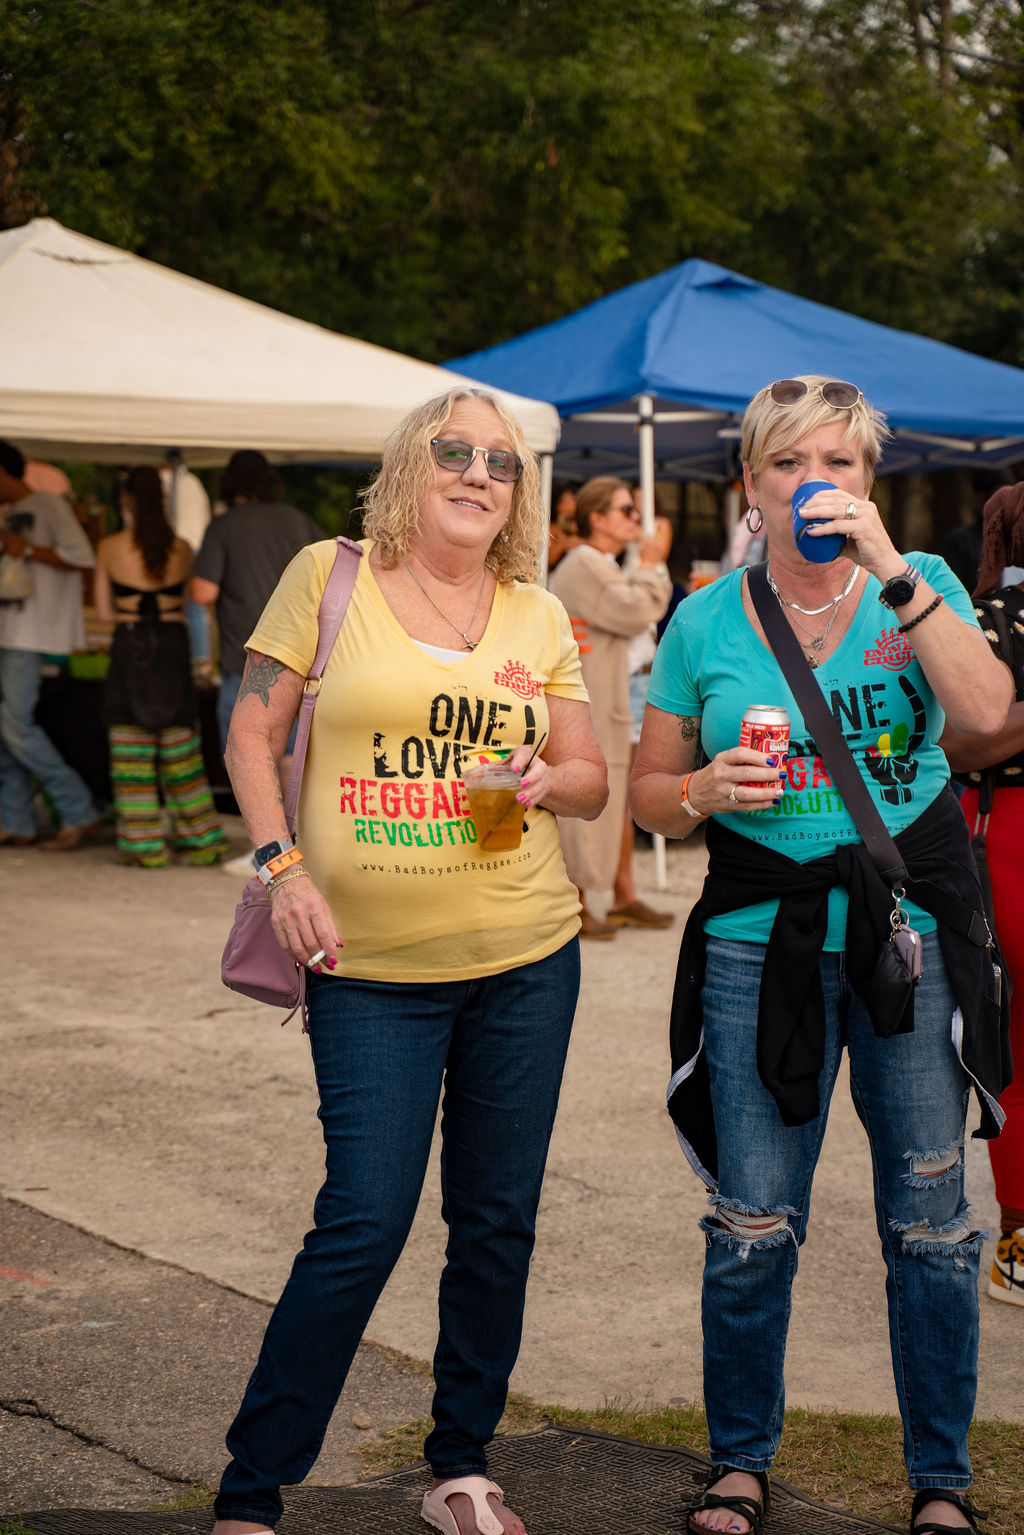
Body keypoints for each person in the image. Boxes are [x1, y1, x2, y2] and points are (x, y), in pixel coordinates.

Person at [210, 387, 606, 1535]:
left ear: (517, 491)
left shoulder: (536, 612)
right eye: (454, 450)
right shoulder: (325, 577)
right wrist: (283, 868)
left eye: (500, 461)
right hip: (369, 967)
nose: (478, 472)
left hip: (526, 956)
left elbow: (590, 775)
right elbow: (250, 731)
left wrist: (548, 778)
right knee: (363, 1219)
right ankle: (253, 1486)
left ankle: (460, 1463)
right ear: (408, 466)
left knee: (495, 1219)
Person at [629, 376, 1012, 1535]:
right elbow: (646, 793)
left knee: (932, 1224)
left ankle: (939, 1478)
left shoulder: (920, 583)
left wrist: (892, 564)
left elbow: (986, 711)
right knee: (751, 1220)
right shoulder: (703, 619)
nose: (815, 483)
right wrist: (700, 788)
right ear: (750, 484)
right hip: (759, 948)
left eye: (837, 462)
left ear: (867, 480)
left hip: (908, 942)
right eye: (789, 463)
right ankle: (739, 1460)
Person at [942, 481, 1024, 1311]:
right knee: (1014, 1040)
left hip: (1004, 832)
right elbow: (959, 740)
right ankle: (1019, 1242)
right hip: (1007, 830)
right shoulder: (988, 619)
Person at [549, 476, 671, 938]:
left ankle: (620, 896)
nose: (636, 518)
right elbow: (635, 610)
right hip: (598, 698)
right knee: (589, 796)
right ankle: (576, 903)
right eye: (626, 510)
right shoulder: (584, 562)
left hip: (621, 691)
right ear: (596, 517)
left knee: (618, 797)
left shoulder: (599, 561)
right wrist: (651, 565)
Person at [190, 449, 322, 875]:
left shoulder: (225, 525)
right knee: (292, 754)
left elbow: (202, 593)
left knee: (251, 750)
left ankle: (268, 850)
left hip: (250, 660)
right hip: (310, 658)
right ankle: (301, 845)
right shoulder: (299, 521)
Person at [93, 468, 229, 868]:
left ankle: (145, 846)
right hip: (172, 646)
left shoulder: (109, 546)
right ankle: (202, 840)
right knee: (180, 749)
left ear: (127, 500)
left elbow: (104, 613)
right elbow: (191, 607)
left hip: (130, 646)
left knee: (130, 748)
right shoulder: (182, 548)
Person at [0, 439, 100, 850]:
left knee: (15, 725)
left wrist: (29, 549)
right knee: (6, 728)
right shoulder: (11, 512)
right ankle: (16, 820)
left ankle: (78, 810)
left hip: (31, 633)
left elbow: (83, 556)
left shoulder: (49, 504)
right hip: (11, 631)